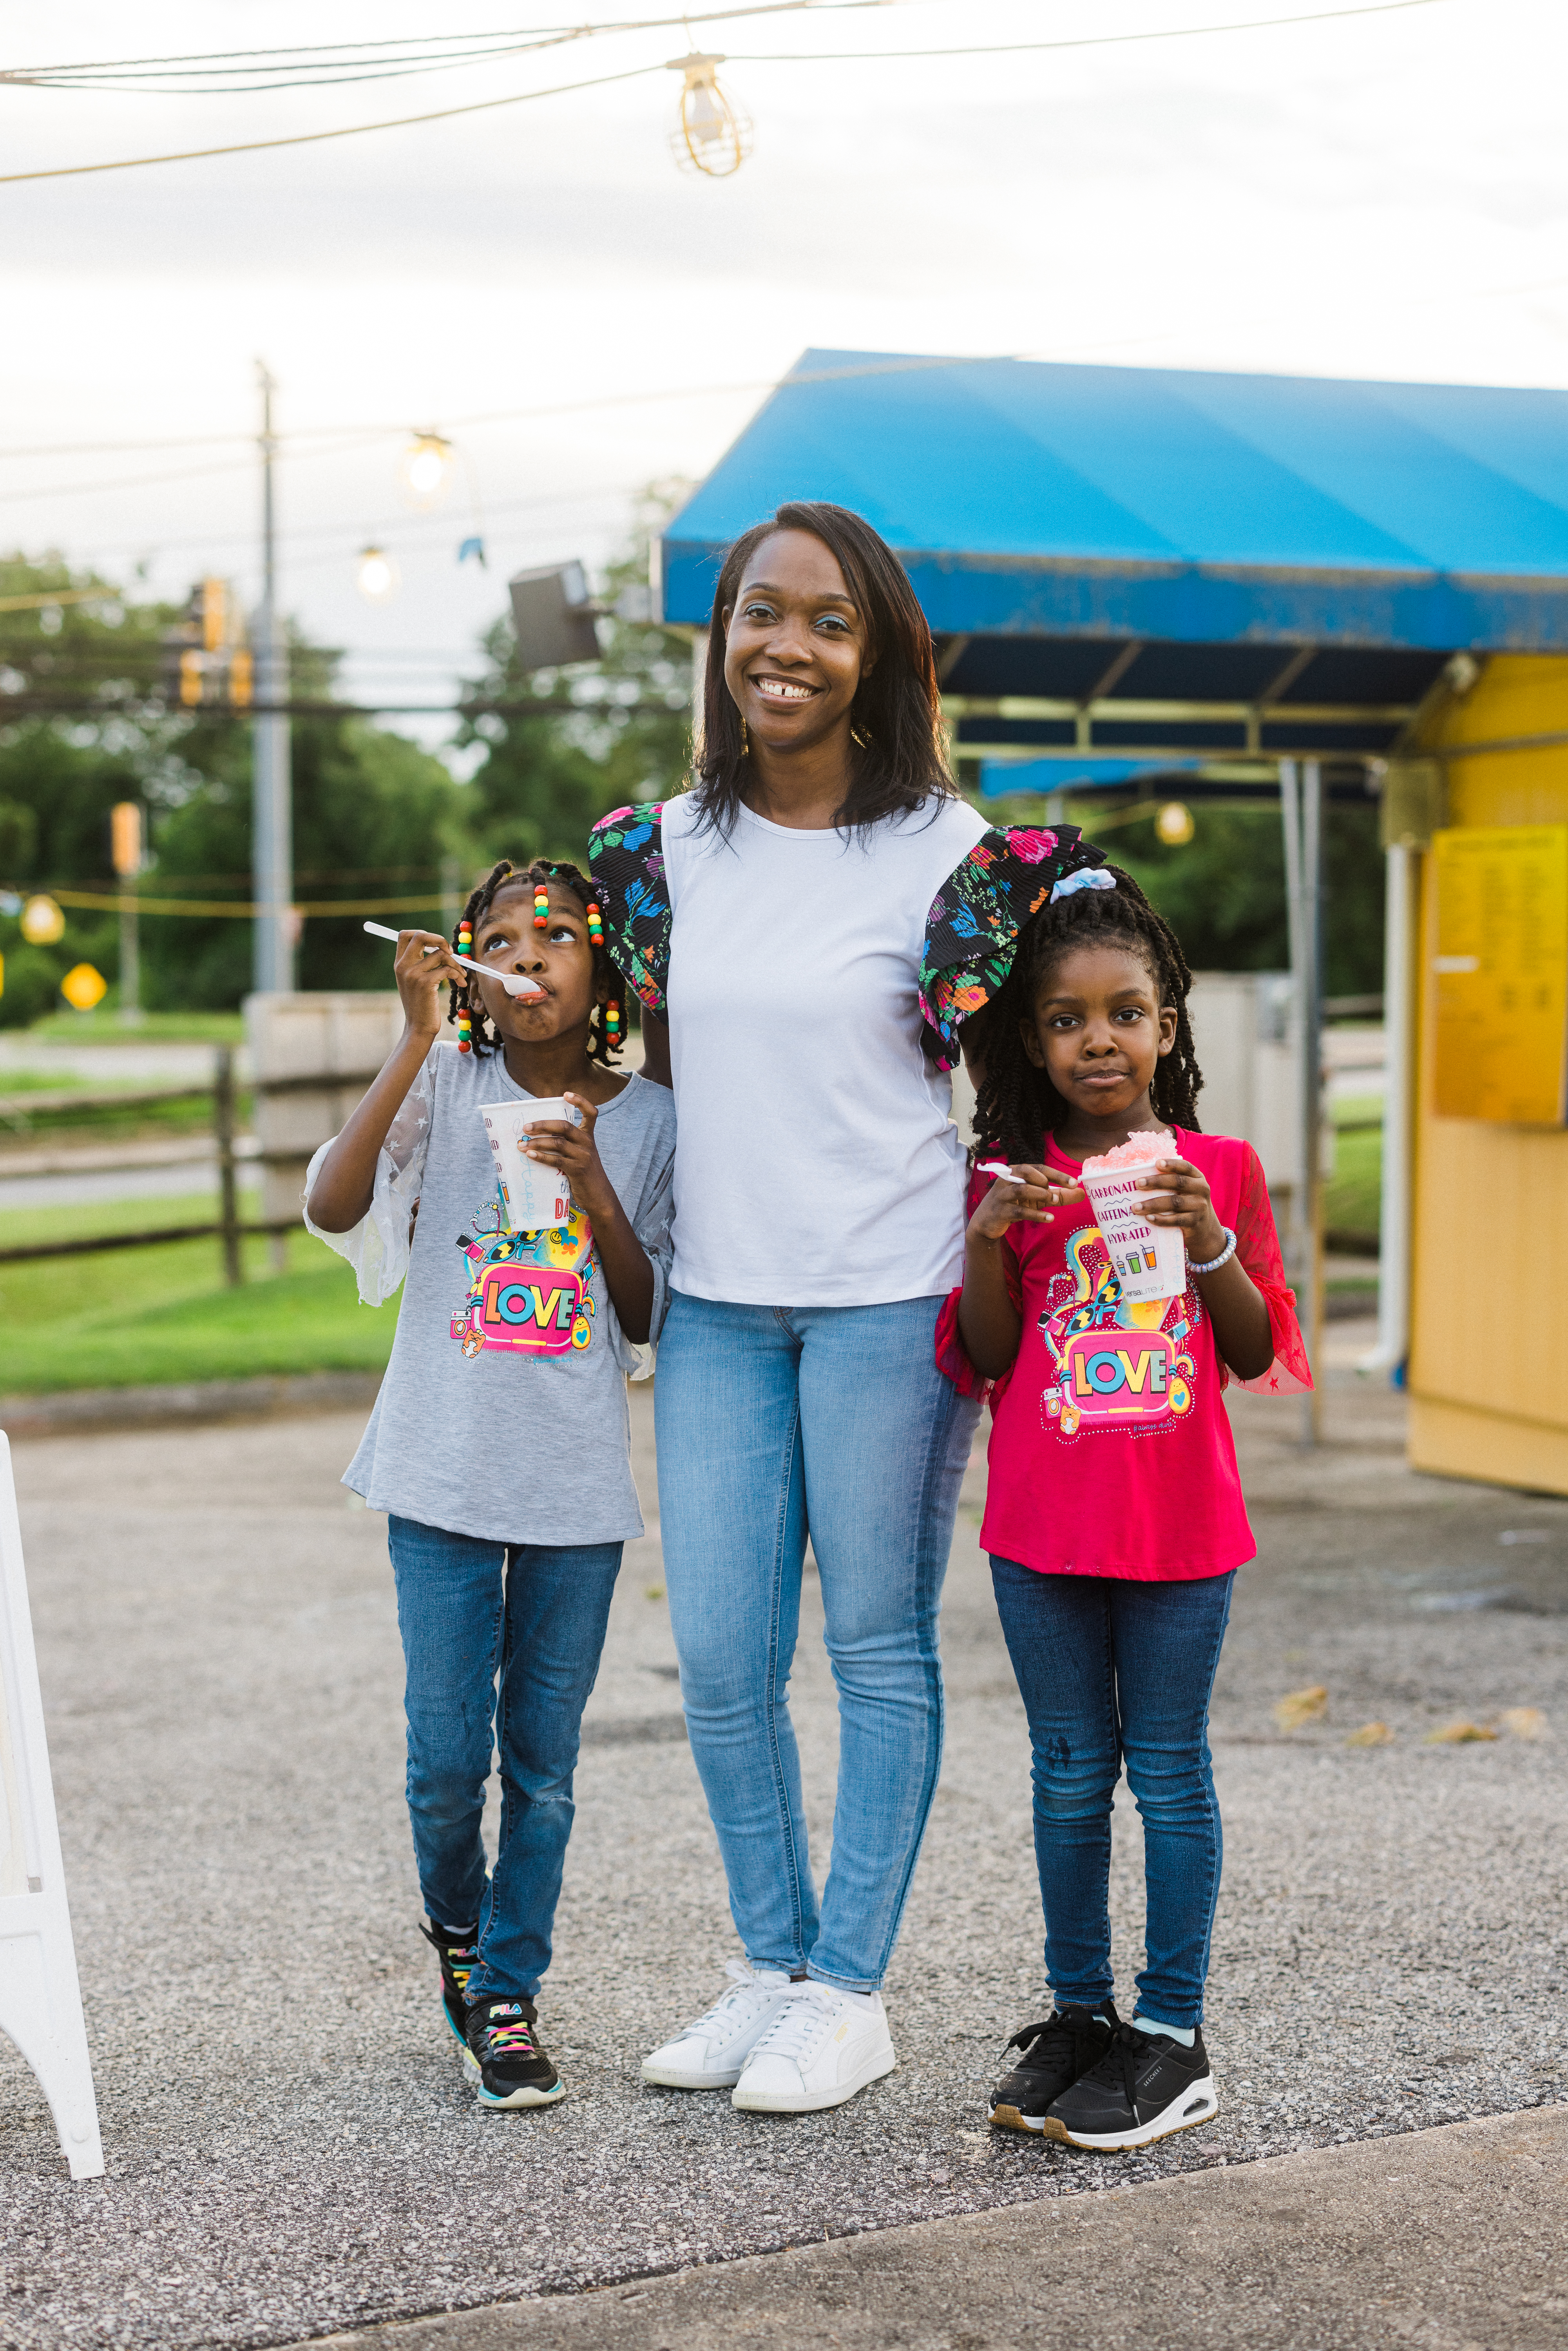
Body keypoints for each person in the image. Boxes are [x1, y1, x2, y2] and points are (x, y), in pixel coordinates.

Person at [587, 500, 1107, 2115]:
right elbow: (646, 1068)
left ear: (876, 655)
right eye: (758, 614)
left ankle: (850, 1990)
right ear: (721, 639)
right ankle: (767, 1966)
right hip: (721, 1308)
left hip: (888, 1305)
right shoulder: (654, 853)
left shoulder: (958, 861)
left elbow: (1066, 1060)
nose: (782, 647)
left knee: (874, 1650)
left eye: (823, 621)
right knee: (726, 1659)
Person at [940, 861, 1310, 2151]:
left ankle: (1171, 2030)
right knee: (1062, 1774)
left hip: (1178, 1533)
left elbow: (1255, 1348)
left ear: (1166, 1025)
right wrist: (987, 1234)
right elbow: (985, 1357)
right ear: (1029, 1044)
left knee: (1165, 1773)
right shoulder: (1009, 1179)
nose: (1096, 1038)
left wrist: (1207, 1238)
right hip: (1040, 1534)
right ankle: (1081, 2014)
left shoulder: (1218, 1167)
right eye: (1063, 1019)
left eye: (1123, 1012)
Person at [303, 858, 675, 2112]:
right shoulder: (447, 1082)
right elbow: (331, 1200)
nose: (531, 954)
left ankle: (507, 1992)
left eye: (559, 936)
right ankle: (459, 1941)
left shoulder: (650, 1118)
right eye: (503, 937)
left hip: (572, 1490)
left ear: (599, 970)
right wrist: (412, 1044)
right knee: (444, 1758)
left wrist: (593, 1184)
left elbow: (647, 1314)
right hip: (440, 1470)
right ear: (468, 967)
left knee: (545, 1763)